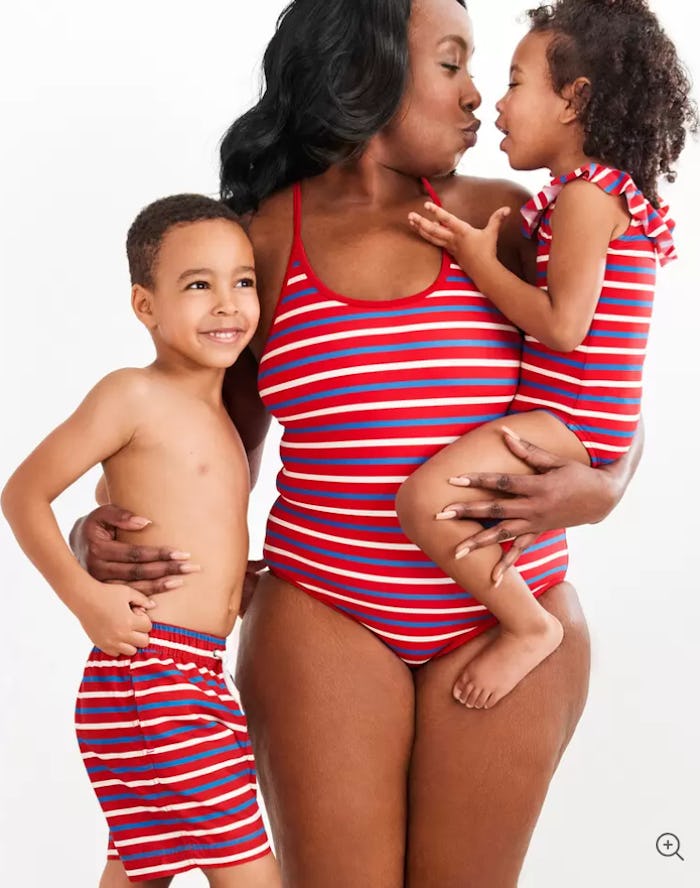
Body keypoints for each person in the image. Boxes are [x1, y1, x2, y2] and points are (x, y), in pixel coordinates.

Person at [70, 1, 651, 885]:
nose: (475, 99)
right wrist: (100, 531)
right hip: (324, 610)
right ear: (364, 71)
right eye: (452, 64)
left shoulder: (507, 219)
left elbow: (609, 372)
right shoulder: (264, 238)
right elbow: (203, 435)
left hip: (509, 607)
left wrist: (610, 485)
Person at [396, 0, 696, 711]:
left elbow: (564, 328)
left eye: (515, 82)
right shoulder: (591, 195)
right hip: (579, 412)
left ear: (575, 99)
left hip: (579, 417)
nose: (494, 103)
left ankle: (529, 626)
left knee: (422, 498)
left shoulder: (588, 198)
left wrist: (476, 258)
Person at [1, 195, 280, 888]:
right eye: (197, 285)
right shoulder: (132, 394)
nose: (226, 304)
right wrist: (86, 601)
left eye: (242, 280)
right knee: (249, 873)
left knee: (135, 870)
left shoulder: (221, 413)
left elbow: (125, 505)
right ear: (145, 306)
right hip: (157, 678)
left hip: (185, 678)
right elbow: (22, 494)